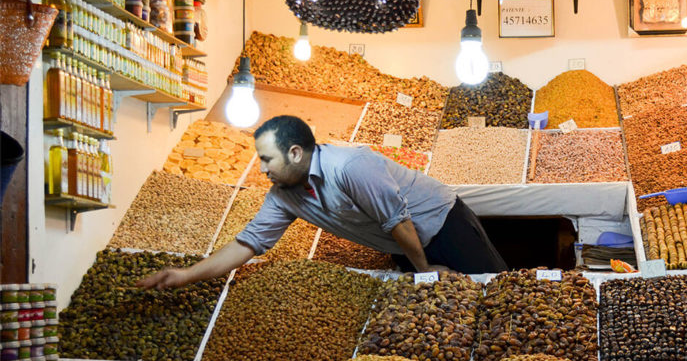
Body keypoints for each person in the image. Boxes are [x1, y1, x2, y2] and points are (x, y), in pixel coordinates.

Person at [138, 115, 506, 289]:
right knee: (445, 311)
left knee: (495, 290)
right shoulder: (284, 196)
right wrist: (186, 274)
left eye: (267, 160)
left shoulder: (350, 166)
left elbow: (398, 219)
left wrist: (423, 267)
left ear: (295, 153)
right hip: (405, 246)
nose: (261, 169)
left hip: (444, 226)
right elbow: (247, 244)